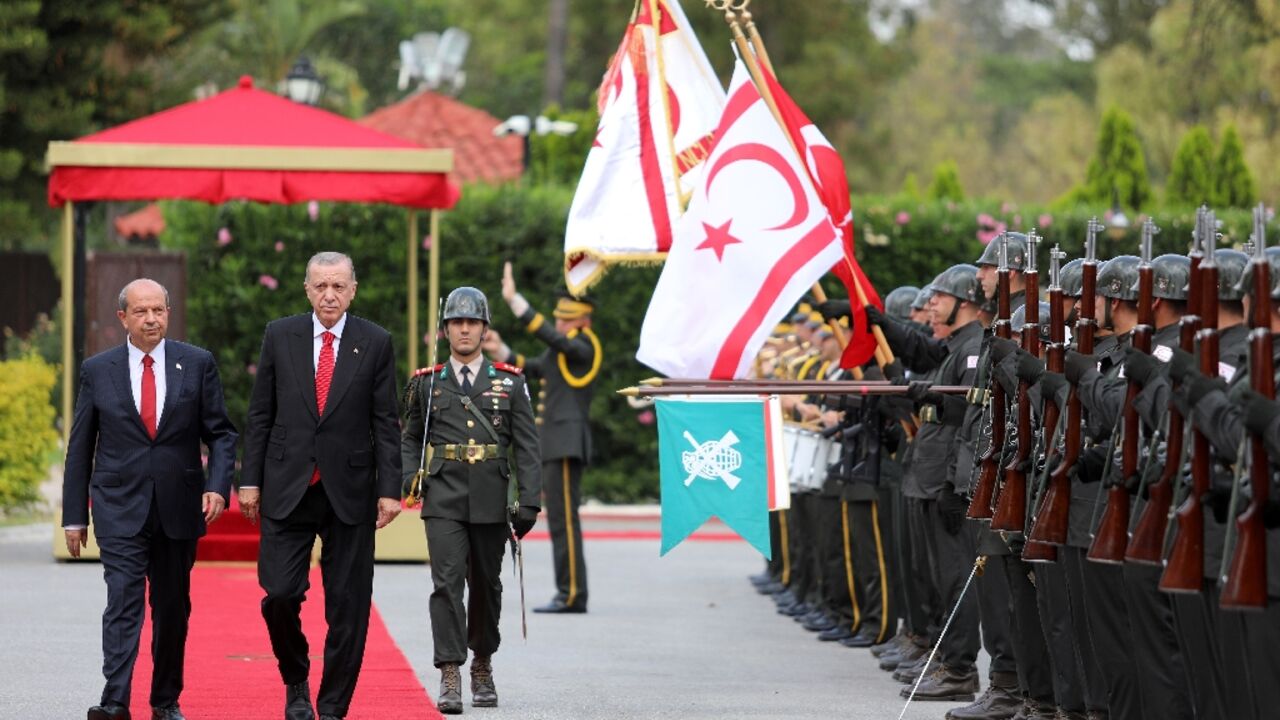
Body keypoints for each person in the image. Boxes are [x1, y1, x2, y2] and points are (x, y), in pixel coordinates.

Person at [63, 278, 238, 720]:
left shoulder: (196, 364)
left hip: (178, 507)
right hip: (119, 505)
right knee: (122, 598)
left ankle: (165, 700)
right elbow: (81, 446)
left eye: (158, 310)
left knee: (172, 606)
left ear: (168, 313)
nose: (151, 319)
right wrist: (73, 517)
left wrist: (217, 485)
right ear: (123, 317)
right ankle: (115, 700)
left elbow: (220, 434)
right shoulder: (98, 370)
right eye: (141, 311)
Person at [239, 252, 403, 720]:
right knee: (280, 594)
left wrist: (389, 488)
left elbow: (385, 422)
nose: (329, 295)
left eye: (338, 286)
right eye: (320, 286)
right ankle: (296, 678)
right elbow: (260, 413)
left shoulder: (374, 341)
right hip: (286, 485)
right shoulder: (280, 334)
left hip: (350, 490)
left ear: (353, 289)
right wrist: (248, 480)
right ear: (306, 289)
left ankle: (331, 707)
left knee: (348, 608)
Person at [401, 286, 541, 714]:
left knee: (486, 585)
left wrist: (530, 501)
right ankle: (449, 670)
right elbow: (408, 438)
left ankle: (482, 663)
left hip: (490, 497)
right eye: (456, 322)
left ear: (484, 329)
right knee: (446, 584)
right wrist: (410, 477)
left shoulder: (510, 382)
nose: (464, 329)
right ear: (445, 330)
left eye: (472, 322)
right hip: (442, 496)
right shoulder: (426, 384)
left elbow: (527, 447)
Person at [482, 262, 598, 614]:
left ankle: (573, 592)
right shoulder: (565, 349)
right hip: (557, 443)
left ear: (581, 319)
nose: (559, 324)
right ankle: (569, 590)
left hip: (566, 443)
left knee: (566, 520)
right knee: (561, 521)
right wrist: (500, 350)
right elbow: (532, 367)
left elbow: (551, 337)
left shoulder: (585, 347)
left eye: (565, 319)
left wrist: (516, 301)